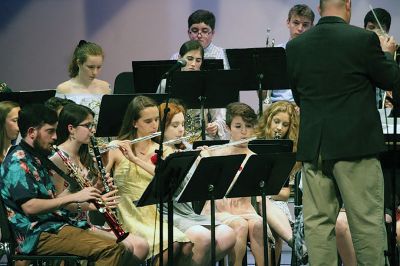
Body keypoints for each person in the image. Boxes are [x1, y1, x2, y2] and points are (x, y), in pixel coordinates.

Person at [285, 0, 400, 265]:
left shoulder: (295, 46)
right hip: (355, 147)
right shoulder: (363, 40)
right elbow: (391, 80)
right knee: (367, 222)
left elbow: (299, 96)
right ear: (348, 5)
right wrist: (387, 54)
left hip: (315, 148)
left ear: (320, 6)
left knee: (318, 224)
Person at [0, 104, 132, 265]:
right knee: (111, 249)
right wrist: (76, 196)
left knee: (119, 245)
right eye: (50, 131)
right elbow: (30, 207)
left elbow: (53, 199)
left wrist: (93, 190)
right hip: (37, 234)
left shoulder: (36, 157)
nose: (55, 136)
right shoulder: (17, 162)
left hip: (55, 226)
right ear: (31, 132)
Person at [49, 103, 149, 262]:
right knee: (127, 246)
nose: (93, 130)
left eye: (93, 125)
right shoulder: (58, 158)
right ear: (71, 129)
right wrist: (95, 204)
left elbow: (88, 192)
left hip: (84, 222)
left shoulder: (83, 156)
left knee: (141, 246)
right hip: (68, 225)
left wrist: (99, 185)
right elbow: (59, 203)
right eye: (88, 126)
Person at [105, 96, 191, 265]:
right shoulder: (116, 147)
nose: (154, 125)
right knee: (171, 245)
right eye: (148, 121)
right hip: (127, 212)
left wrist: (134, 159)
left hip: (153, 213)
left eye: (157, 120)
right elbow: (100, 180)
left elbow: (165, 178)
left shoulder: (163, 149)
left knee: (184, 243)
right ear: (134, 123)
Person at [159, 101, 236, 265]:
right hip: (166, 212)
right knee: (204, 238)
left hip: (188, 212)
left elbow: (199, 186)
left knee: (228, 235)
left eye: (183, 124)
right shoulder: (157, 152)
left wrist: (204, 163)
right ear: (161, 127)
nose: (181, 129)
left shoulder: (186, 148)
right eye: (175, 125)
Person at [201, 102, 269, 266]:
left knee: (259, 224)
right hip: (217, 211)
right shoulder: (216, 153)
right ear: (228, 127)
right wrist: (203, 158)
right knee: (240, 225)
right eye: (238, 126)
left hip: (245, 210)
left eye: (248, 126)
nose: (244, 132)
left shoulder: (254, 158)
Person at [255, 100, 300, 262]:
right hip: (249, 202)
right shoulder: (254, 144)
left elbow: (285, 193)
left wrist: (265, 195)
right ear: (268, 120)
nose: (280, 128)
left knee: (273, 225)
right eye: (276, 122)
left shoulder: (284, 152)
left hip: (271, 202)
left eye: (285, 124)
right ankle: (295, 242)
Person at [161, 40, 229, 140]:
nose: (193, 64)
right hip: (174, 140)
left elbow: (221, 118)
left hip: (203, 140)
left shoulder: (209, 84)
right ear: (180, 58)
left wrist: (216, 126)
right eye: (189, 59)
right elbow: (159, 116)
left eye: (198, 60)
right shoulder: (166, 83)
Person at [266, 4, 315, 105]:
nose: (300, 29)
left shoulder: (315, 55)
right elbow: (262, 96)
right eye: (296, 23)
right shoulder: (275, 52)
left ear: (312, 27)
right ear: (288, 23)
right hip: (276, 105)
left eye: (305, 25)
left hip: (304, 106)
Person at [56, 40, 111, 123]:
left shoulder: (106, 87)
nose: (95, 72)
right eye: (90, 67)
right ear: (78, 63)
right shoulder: (63, 89)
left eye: (99, 67)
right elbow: (59, 123)